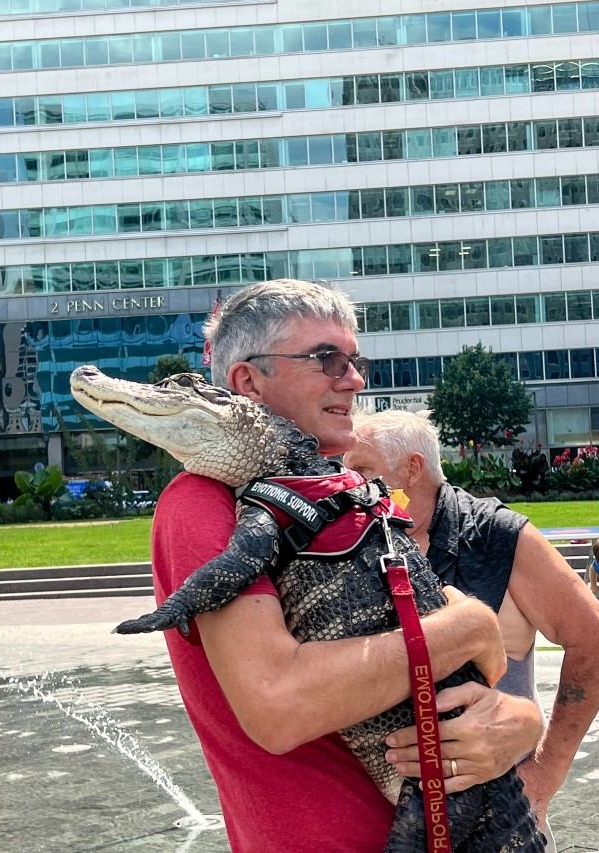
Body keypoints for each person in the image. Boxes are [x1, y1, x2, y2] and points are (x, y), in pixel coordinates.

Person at [151, 280, 543, 852]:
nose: (354, 379)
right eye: (325, 359)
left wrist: (519, 723)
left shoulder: (346, 492)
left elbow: (471, 662)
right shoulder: (202, 501)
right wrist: (472, 626)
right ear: (247, 383)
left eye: (354, 360)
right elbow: (279, 705)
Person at [344, 409, 599, 853]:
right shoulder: (359, 537)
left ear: (412, 469)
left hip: (494, 816)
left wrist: (541, 779)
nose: (347, 483)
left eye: (362, 470)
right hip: (375, 815)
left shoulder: (496, 534)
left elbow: (592, 640)